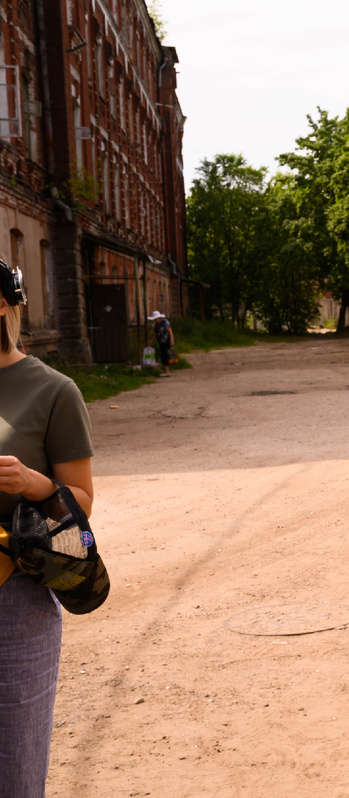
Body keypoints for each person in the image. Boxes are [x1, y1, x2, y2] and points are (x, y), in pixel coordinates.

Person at [0, 257, 95, 796]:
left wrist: (33, 484)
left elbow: (80, 503)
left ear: (5, 306)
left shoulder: (53, 390)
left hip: (15, 597)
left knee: (14, 767)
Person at [148, 310, 173, 376]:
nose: (154, 320)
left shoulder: (165, 322)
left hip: (166, 341)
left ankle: (167, 372)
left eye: (155, 319)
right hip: (161, 342)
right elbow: (157, 334)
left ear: (158, 318)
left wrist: (172, 340)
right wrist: (151, 340)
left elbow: (170, 331)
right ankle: (166, 371)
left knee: (165, 355)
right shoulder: (157, 324)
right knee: (163, 355)